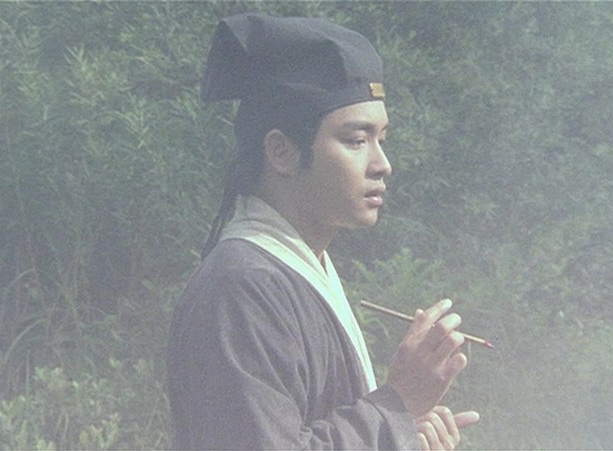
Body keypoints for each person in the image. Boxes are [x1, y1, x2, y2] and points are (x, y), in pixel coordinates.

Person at [166, 13, 479, 450]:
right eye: (356, 140)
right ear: (281, 152)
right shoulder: (243, 287)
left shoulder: (297, 272)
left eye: (382, 139)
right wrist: (397, 407)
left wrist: (405, 436)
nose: (382, 164)